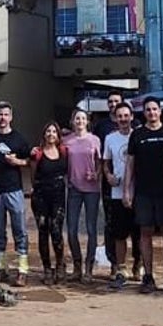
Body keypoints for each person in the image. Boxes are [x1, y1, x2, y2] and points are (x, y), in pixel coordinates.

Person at [123, 97, 163, 294]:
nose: (152, 113)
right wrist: (127, 190)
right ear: (143, 113)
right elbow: (130, 164)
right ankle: (148, 276)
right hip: (143, 192)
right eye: (148, 110)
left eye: (155, 109)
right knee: (145, 233)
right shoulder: (137, 135)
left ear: (160, 111)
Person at [0, 101, 31, 287]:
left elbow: (29, 162)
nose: (3, 118)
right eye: (0, 114)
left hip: (15, 191)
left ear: (11, 117)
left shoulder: (19, 139)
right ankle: (1, 268)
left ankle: (22, 270)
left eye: (6, 115)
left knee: (20, 231)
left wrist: (17, 162)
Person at [102, 101, 140, 289]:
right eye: (120, 116)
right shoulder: (110, 139)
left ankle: (139, 265)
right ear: (115, 118)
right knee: (119, 233)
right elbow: (105, 163)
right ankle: (121, 267)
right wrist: (108, 175)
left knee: (139, 232)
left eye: (126, 116)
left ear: (132, 116)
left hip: (139, 192)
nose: (123, 119)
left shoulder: (139, 135)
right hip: (117, 193)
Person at [62, 109, 102, 283]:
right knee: (71, 230)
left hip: (92, 189)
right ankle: (77, 265)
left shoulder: (95, 140)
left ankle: (89, 267)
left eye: (83, 118)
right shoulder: (66, 141)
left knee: (91, 229)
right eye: (77, 118)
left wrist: (97, 174)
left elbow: (101, 162)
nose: (80, 121)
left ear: (87, 121)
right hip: (73, 189)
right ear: (72, 121)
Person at [30, 121, 68, 284]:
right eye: (48, 131)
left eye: (54, 132)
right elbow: (32, 175)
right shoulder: (37, 153)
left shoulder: (64, 151)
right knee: (43, 231)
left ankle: (60, 264)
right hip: (40, 196)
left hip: (58, 196)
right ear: (44, 134)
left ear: (58, 135)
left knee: (56, 230)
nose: (51, 134)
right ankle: (47, 268)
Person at [93, 91, 124, 279]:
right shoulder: (101, 126)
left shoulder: (133, 125)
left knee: (135, 225)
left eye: (116, 102)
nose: (113, 104)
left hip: (131, 183)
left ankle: (136, 263)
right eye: (110, 102)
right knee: (111, 223)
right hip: (108, 183)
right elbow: (96, 152)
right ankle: (114, 263)